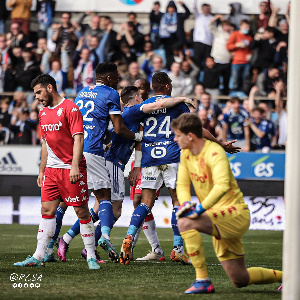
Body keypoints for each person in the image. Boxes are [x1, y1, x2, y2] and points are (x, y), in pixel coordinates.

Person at [119, 72, 240, 266]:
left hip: (150, 158)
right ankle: (177, 249)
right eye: (171, 83)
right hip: (173, 158)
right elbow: (197, 129)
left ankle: (129, 237)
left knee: (145, 202)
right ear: (167, 86)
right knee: (178, 201)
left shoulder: (144, 106)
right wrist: (220, 144)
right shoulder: (177, 105)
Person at [172, 113, 282, 294]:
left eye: (177, 135)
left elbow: (222, 186)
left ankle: (202, 280)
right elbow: (182, 184)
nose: (175, 139)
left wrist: (198, 209)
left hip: (235, 213)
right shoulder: (186, 154)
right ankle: (289, 277)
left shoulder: (215, 152)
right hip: (215, 217)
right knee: (240, 279)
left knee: (185, 222)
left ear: (190, 136)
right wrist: (185, 205)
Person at [56, 62, 143, 263]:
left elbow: (79, 121)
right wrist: (138, 137)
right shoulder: (113, 96)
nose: (119, 79)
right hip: (99, 154)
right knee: (111, 206)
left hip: (76, 148)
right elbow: (119, 128)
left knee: (86, 204)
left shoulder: (82, 93)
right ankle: (97, 240)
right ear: (110, 78)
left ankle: (64, 241)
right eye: (117, 76)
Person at [13, 74, 100, 270]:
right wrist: (41, 170)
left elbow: (79, 138)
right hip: (51, 171)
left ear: (50, 88)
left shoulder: (70, 108)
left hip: (70, 169)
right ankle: (38, 255)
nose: (36, 97)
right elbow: (46, 144)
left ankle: (91, 256)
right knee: (47, 211)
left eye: (39, 92)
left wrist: (75, 165)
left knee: (82, 211)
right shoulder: (43, 113)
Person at [227, 19, 253, 92]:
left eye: (248, 27)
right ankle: (234, 94)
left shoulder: (249, 37)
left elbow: (250, 49)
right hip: (236, 61)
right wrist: (237, 45)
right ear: (240, 26)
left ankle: (243, 93)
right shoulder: (235, 34)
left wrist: (250, 54)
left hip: (246, 61)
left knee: (245, 79)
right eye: (245, 27)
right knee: (235, 80)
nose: (247, 29)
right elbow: (228, 46)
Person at [192, 1, 214, 68]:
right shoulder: (198, 16)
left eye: (207, 9)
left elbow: (213, 31)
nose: (206, 10)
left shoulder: (212, 18)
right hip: (198, 41)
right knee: (197, 59)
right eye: (204, 8)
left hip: (208, 42)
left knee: (207, 60)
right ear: (202, 9)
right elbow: (194, 8)